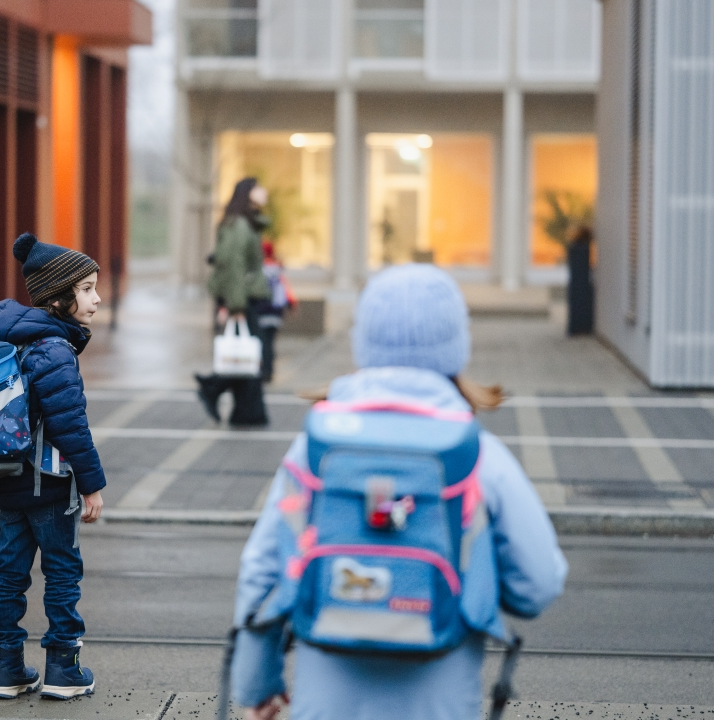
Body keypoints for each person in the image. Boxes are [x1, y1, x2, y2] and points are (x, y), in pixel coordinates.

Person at [229, 264, 568, 720]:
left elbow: (262, 572)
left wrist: (257, 686)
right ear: (456, 348)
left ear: (364, 344)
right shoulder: (476, 455)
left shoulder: (314, 449)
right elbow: (537, 585)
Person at [0, 232, 107, 701]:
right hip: (50, 485)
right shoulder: (54, 348)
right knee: (63, 573)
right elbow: (71, 425)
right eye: (87, 288)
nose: (96, 297)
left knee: (8, 575)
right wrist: (92, 486)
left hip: (7, 480)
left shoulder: (13, 341)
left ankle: (6, 668)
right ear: (58, 296)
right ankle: (63, 669)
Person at [195, 177, 273, 425]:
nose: (264, 191)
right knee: (254, 353)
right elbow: (234, 266)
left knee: (247, 353)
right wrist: (235, 305)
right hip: (241, 298)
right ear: (248, 193)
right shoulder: (239, 225)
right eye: (259, 187)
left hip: (242, 295)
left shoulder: (246, 222)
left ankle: (245, 412)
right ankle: (218, 391)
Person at [253, 240, 297, 383]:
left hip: (261, 309)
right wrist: (291, 304)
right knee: (270, 342)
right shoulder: (278, 269)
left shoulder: (259, 268)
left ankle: (263, 370)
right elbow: (285, 289)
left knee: (262, 341)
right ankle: (269, 369)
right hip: (276, 311)